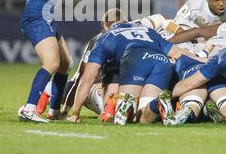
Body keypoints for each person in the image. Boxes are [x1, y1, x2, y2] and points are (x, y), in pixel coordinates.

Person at [18, 0, 130, 123]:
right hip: (36, 18)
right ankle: (29, 108)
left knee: (65, 64)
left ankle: (54, 110)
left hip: (46, 18)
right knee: (52, 63)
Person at [67, 9, 195, 126]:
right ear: (127, 20)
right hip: (160, 61)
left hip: (133, 60)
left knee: (120, 114)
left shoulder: (104, 36)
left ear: (104, 27)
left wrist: (75, 113)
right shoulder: (146, 27)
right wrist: (201, 58)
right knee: (145, 116)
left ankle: (124, 105)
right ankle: (157, 104)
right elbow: (175, 51)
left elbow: (87, 78)